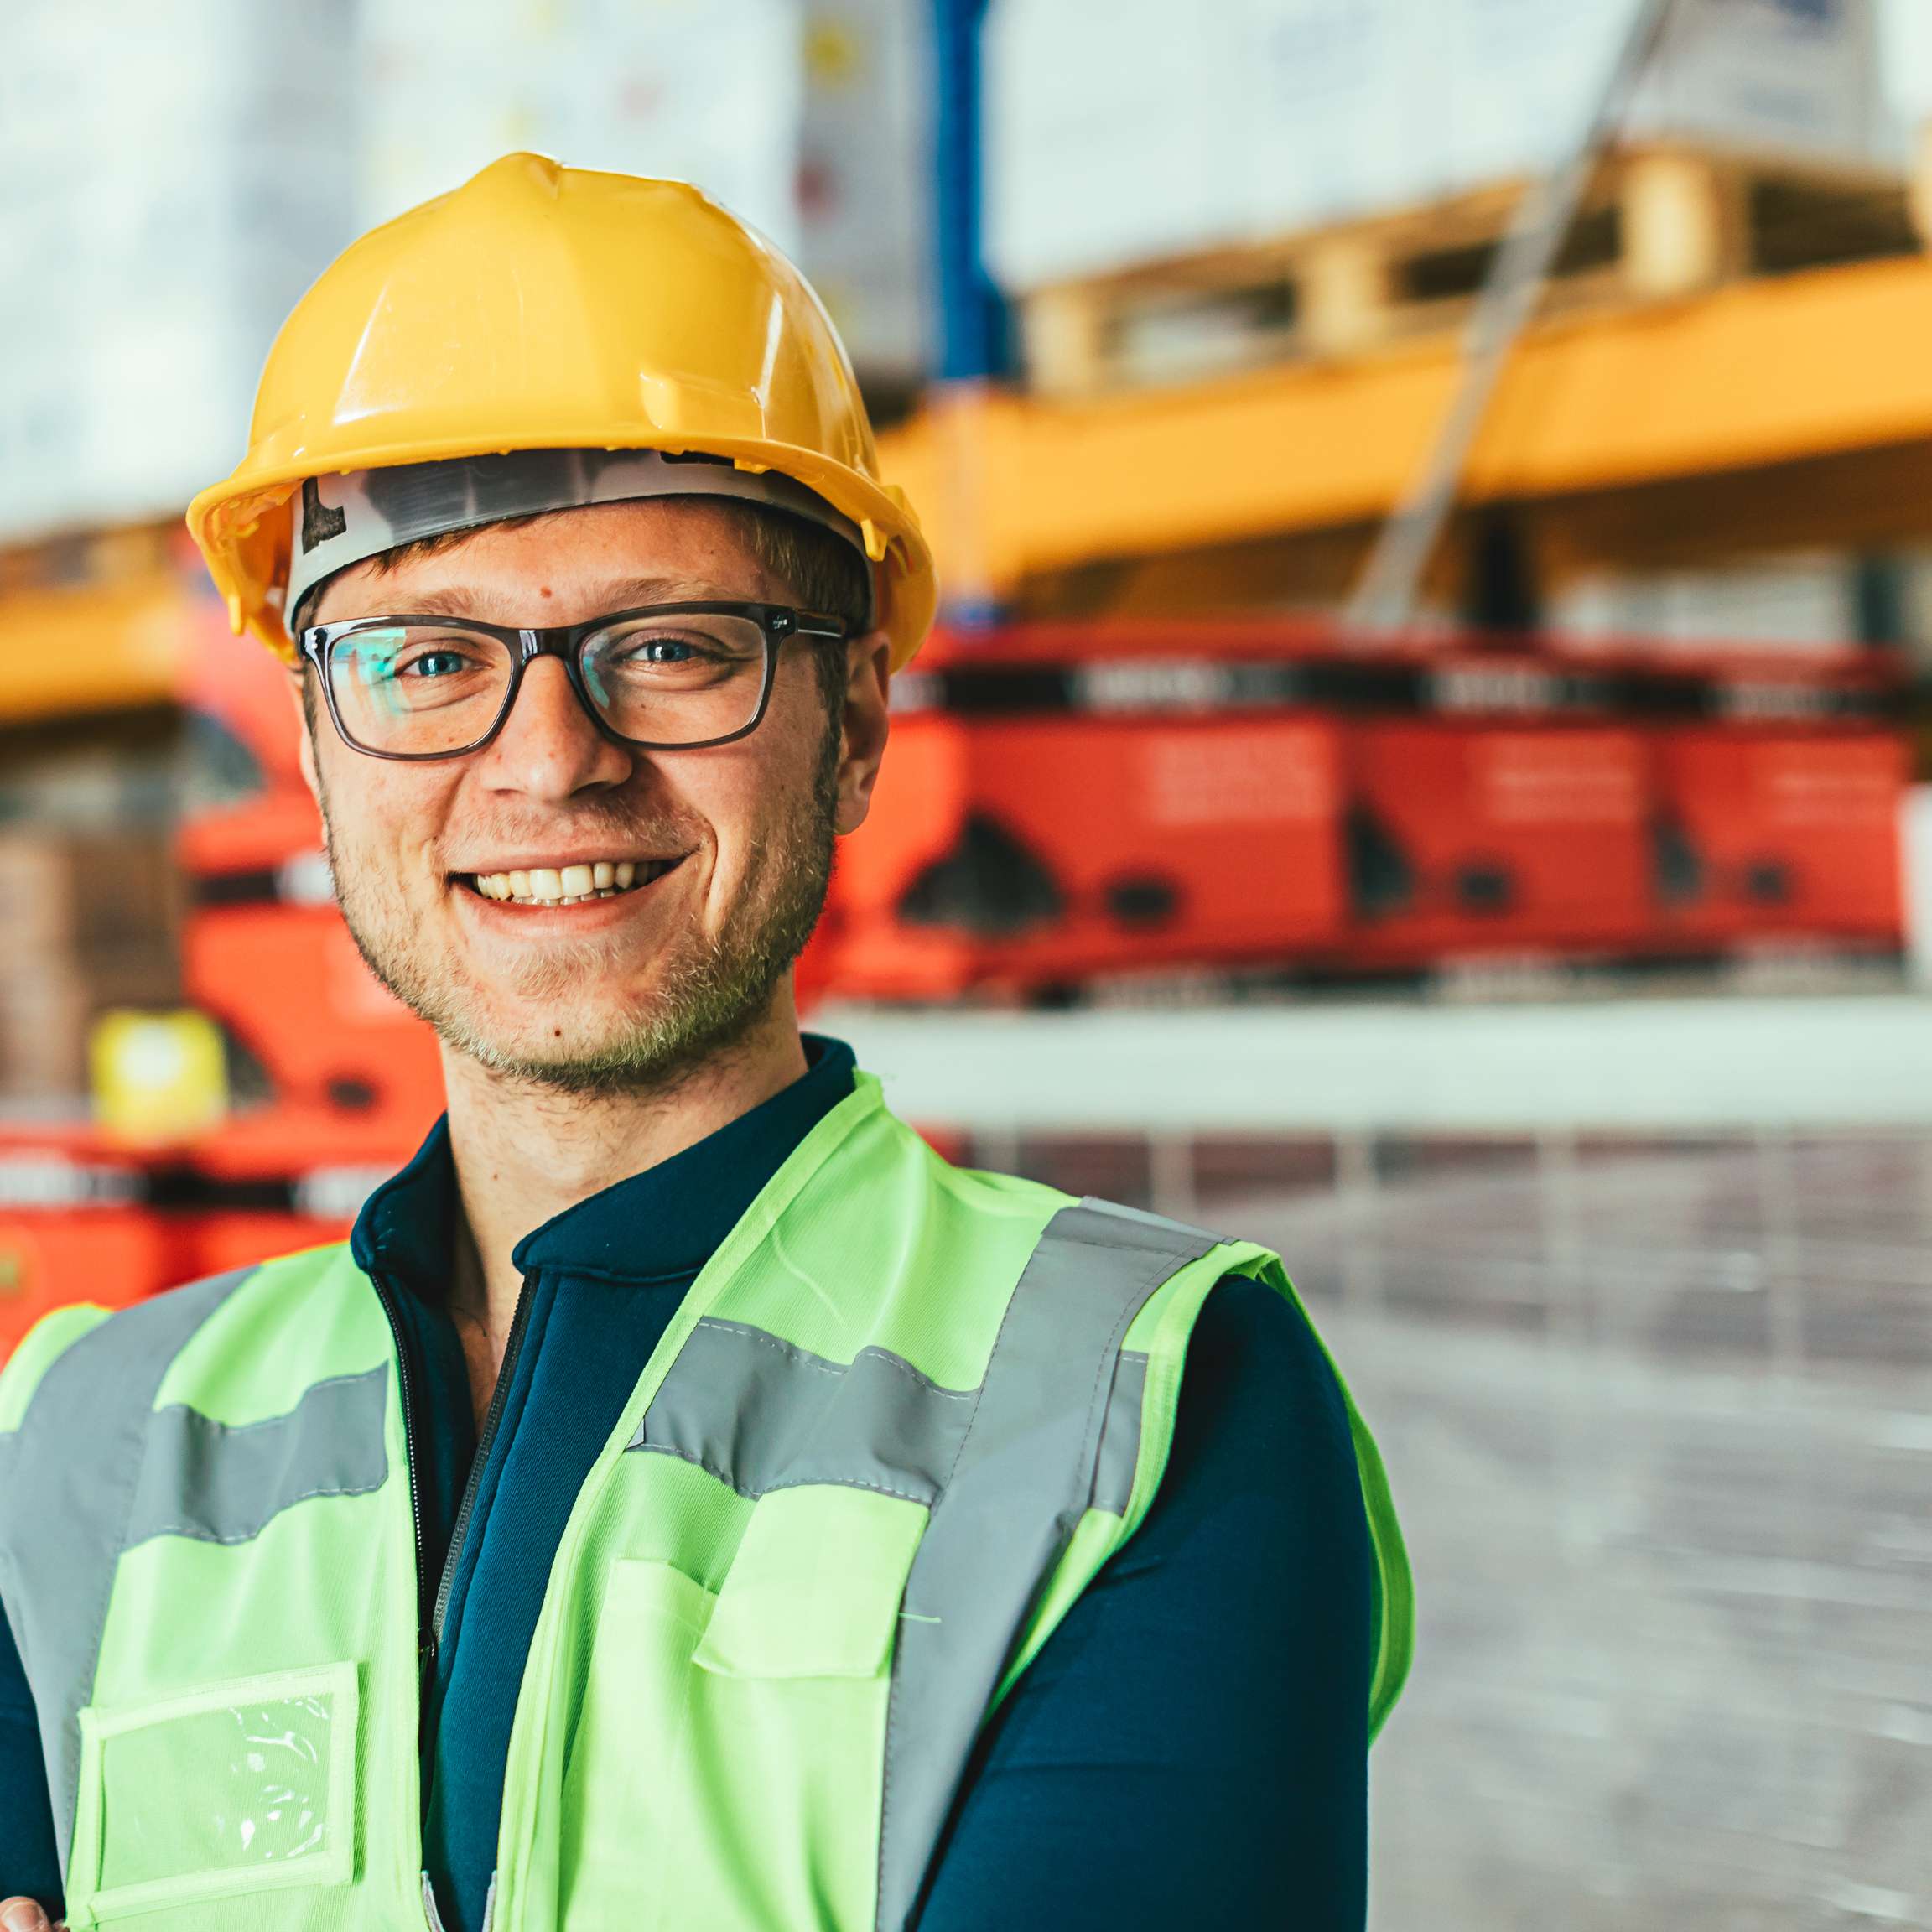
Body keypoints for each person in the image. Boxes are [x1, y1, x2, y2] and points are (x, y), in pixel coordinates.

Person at [0, 155, 1410, 1932]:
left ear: (858, 726)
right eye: (427, 661)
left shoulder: (1146, 1408)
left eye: (667, 648)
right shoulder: (81, 1444)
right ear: (314, 746)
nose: (547, 761)